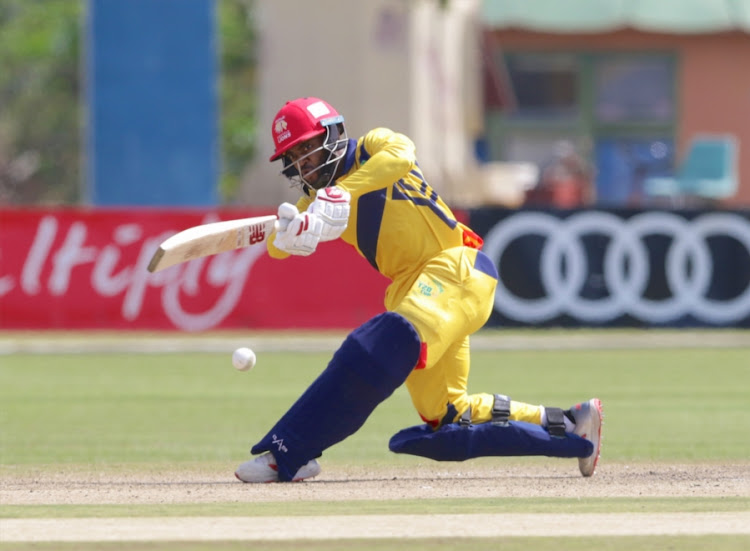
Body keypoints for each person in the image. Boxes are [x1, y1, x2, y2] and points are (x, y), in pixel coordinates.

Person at [235, 97, 603, 483]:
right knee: (447, 418)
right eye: (293, 158)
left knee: (384, 343)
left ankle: (291, 451)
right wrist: (289, 234)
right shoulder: (315, 200)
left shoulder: (371, 148)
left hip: (455, 269)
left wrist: (342, 192)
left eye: (306, 148)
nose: (302, 164)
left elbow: (401, 156)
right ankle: (571, 424)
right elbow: (279, 246)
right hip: (418, 291)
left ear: (333, 134)